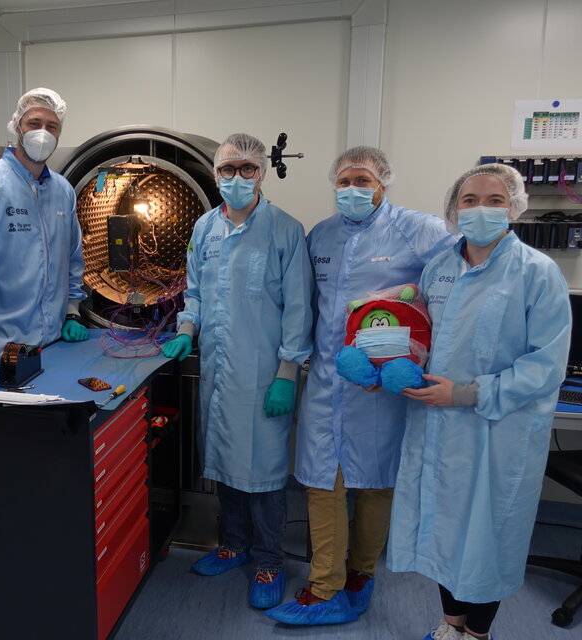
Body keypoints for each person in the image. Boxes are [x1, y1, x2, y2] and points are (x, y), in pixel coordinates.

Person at [267, 146, 456, 626]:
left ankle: (361, 576)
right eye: (345, 180)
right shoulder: (321, 235)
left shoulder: (420, 230)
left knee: (375, 483)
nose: (353, 188)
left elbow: (450, 294)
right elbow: (306, 302)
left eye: (364, 180)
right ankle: (325, 585)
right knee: (319, 482)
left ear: (383, 184)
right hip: (328, 378)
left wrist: (417, 359)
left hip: (384, 385)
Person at [387, 163, 570, 640]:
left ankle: (477, 634)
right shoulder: (439, 268)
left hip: (497, 431)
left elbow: (544, 366)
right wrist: (387, 364)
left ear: (513, 208)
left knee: (486, 538)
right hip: (438, 426)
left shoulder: (537, 272)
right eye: (470, 200)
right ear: (453, 208)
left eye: (494, 200)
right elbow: (421, 337)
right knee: (446, 531)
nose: (481, 209)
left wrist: (467, 394)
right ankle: (451, 626)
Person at [162, 133, 313, 610]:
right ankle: (233, 543)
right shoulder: (205, 228)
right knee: (225, 465)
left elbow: (298, 308)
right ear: (215, 173)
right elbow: (196, 292)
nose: (237, 177)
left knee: (266, 475)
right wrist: (188, 327)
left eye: (247, 168)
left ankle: (269, 561)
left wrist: (288, 374)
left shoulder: (285, 230)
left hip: (265, 374)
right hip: (219, 372)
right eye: (228, 169)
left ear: (262, 173)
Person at [0, 87, 88, 370]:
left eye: (51, 126)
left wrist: (72, 312)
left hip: (53, 345)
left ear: (59, 134)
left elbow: (73, 258)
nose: (42, 132)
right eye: (34, 124)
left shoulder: (63, 191)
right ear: (17, 126)